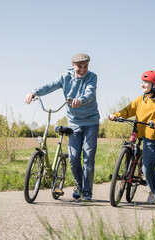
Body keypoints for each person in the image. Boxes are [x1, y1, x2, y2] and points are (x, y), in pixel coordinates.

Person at [25, 53, 100, 201]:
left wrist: (81, 100)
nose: (83, 69)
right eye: (80, 67)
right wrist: (34, 92)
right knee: (73, 158)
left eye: (85, 66)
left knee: (88, 158)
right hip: (74, 122)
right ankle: (79, 186)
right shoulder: (65, 77)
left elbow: (90, 93)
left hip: (91, 121)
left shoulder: (92, 77)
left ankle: (87, 191)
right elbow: (50, 86)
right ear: (73, 65)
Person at [108, 70, 155, 207]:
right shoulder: (140, 100)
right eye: (142, 82)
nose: (142, 85)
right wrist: (116, 115)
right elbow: (127, 110)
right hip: (147, 139)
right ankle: (154, 191)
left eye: (146, 82)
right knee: (146, 168)